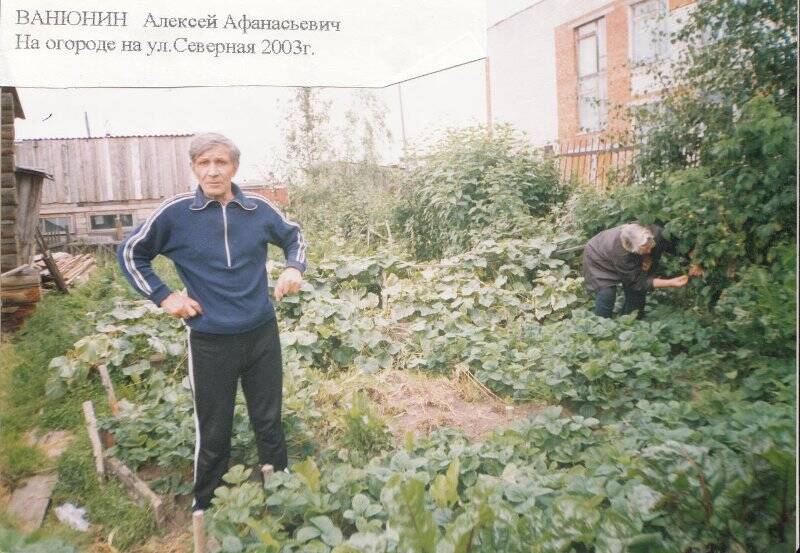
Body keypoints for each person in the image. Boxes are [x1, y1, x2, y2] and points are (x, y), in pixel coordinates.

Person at [117, 132, 306, 511]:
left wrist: (293, 268)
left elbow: (294, 237)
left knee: (268, 418)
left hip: (260, 332)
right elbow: (131, 253)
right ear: (194, 168)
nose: (213, 171)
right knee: (214, 427)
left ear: (234, 167)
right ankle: (207, 502)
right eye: (204, 163)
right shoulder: (176, 214)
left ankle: (280, 490)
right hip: (210, 339)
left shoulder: (258, 210)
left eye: (221, 162)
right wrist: (165, 296)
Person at [582, 223, 701, 318]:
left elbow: (678, 246)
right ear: (632, 250)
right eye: (644, 250)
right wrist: (670, 282)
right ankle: (600, 330)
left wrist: (695, 261)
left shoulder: (656, 233)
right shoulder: (622, 254)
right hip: (598, 257)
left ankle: (629, 324)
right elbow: (637, 282)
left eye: (650, 246)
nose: (649, 251)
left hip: (624, 254)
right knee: (607, 294)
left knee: (637, 295)